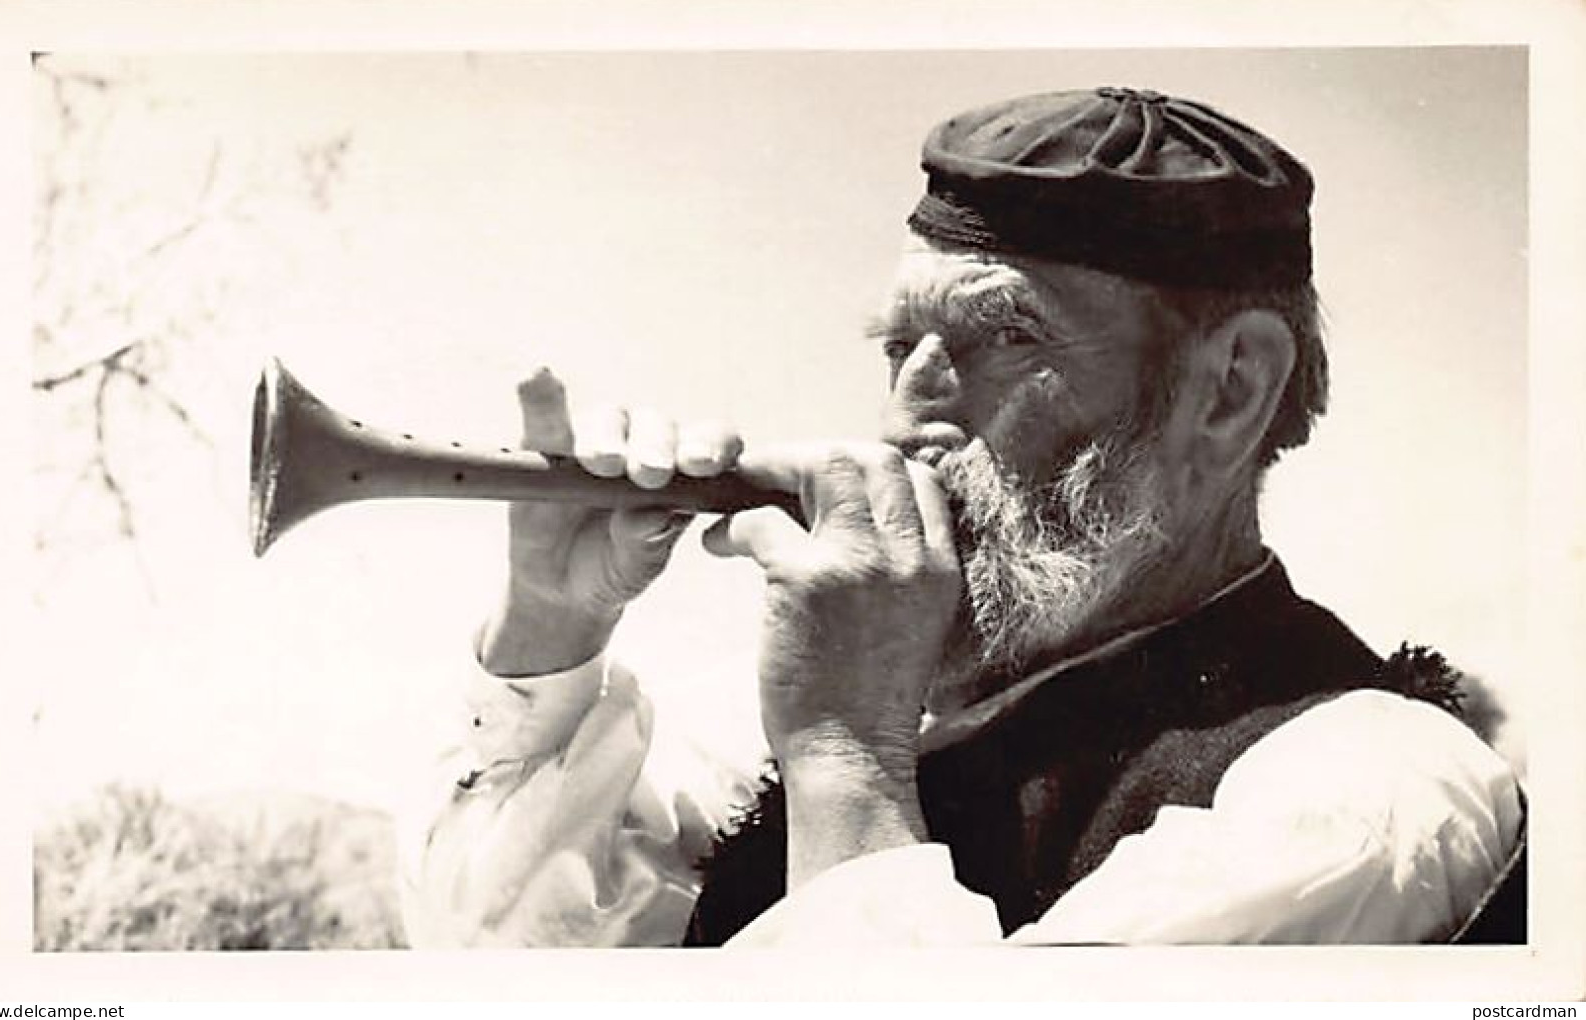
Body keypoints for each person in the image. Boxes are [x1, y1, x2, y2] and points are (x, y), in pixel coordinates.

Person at [396, 87, 1524, 947]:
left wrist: (844, 761)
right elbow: (492, 949)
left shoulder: (1365, 785)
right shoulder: (816, 735)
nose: (901, 423)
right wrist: (548, 625)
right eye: (899, 349)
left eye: (1007, 337)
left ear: (1225, 389)